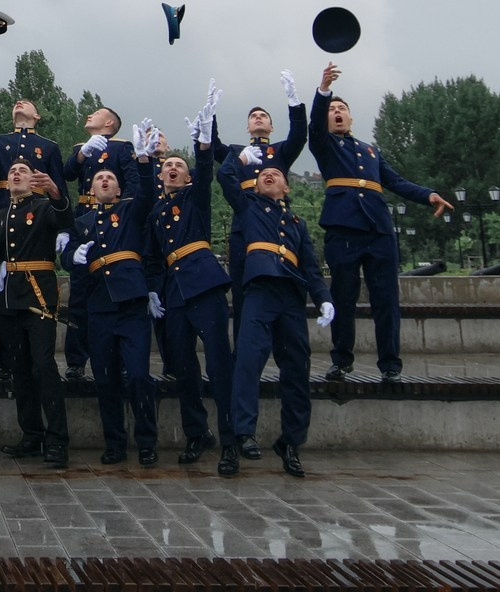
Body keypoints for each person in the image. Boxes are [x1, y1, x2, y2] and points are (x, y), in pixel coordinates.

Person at [307, 63, 454, 381]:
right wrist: (323, 91)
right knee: (343, 299)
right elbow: (315, 127)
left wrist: (428, 195)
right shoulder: (324, 144)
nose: (336, 112)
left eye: (341, 108)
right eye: (331, 109)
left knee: (386, 300)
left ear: (351, 118)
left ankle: (390, 365)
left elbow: (396, 182)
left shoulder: (371, 151)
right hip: (343, 229)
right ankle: (342, 360)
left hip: (379, 231)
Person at [141, 114, 239, 473]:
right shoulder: (156, 211)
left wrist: (202, 144)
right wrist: (154, 291)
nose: (171, 168)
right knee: (183, 368)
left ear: (187, 177)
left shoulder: (196, 199)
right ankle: (197, 433)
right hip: (174, 295)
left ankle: (231, 441)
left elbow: (204, 168)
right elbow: (152, 259)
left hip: (204, 285)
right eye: (167, 165)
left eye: (178, 166)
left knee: (219, 365)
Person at [227, 162, 332, 476]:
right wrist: (239, 161)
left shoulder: (297, 223)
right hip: (260, 292)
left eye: (276, 175)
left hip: (290, 296)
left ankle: (291, 441)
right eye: (262, 176)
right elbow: (225, 177)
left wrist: (325, 299)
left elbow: (311, 268)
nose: (268, 175)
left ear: (287, 188)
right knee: (248, 360)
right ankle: (243, 431)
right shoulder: (248, 207)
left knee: (297, 368)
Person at [70, 165, 158, 465]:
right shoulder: (81, 222)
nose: (104, 181)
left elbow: (147, 194)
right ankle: (115, 443)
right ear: (91, 190)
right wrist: (71, 256)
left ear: (119, 190)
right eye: (99, 179)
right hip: (100, 306)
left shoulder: (131, 210)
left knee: (137, 376)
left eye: (110, 179)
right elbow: (68, 254)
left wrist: (145, 164)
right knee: (105, 379)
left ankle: (146, 441)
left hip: (131, 304)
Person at [0, 163, 72, 466]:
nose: (16, 174)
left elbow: (64, 217)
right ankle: (32, 434)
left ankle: (58, 439)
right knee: (20, 370)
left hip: (39, 295)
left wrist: (55, 193)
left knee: (43, 366)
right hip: (11, 298)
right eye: (12, 172)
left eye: (23, 171)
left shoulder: (43, 207)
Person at [0, 100, 62, 388]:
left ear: (37, 116)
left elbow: (57, 184)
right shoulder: (0, 140)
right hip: (2, 211)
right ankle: (3, 361)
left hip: (37, 212)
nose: (18, 103)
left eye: (26, 103)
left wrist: (64, 226)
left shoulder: (48, 146)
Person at [62, 105, 137, 381]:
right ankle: (76, 359)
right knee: (79, 291)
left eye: (96, 113)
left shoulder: (121, 147)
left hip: (114, 217)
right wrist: (82, 154)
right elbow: (68, 173)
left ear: (109, 122)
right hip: (85, 216)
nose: (88, 116)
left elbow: (130, 184)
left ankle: (121, 357)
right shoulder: (82, 147)